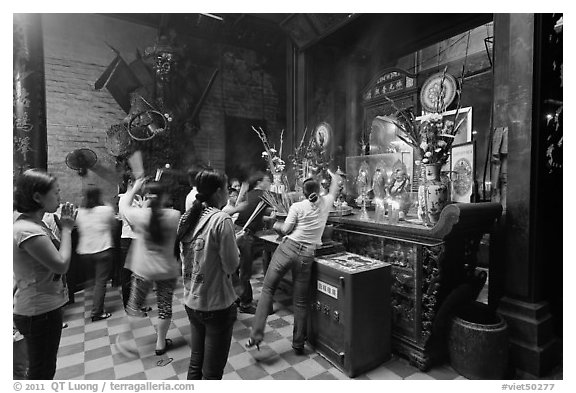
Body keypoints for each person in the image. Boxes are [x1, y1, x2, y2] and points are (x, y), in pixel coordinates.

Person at [246, 169, 341, 354]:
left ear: (303, 192)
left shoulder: (297, 207)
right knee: (301, 300)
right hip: (307, 254)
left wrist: (275, 224)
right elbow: (335, 188)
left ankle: (256, 336)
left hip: (288, 248)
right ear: (319, 189)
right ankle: (298, 343)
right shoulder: (327, 203)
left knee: (267, 289)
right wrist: (334, 176)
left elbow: (287, 229)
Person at [13, 169, 77, 379]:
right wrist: (67, 230)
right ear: (37, 197)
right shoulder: (27, 230)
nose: (60, 197)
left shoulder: (36, 224)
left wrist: (63, 230)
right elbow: (60, 265)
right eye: (56, 193)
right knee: (42, 371)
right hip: (39, 311)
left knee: (43, 366)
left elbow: (54, 255)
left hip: (44, 306)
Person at [177, 169, 241, 379]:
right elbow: (231, 266)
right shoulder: (221, 219)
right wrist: (235, 245)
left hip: (192, 300)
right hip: (216, 304)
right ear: (218, 191)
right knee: (212, 373)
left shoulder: (187, 217)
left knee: (196, 362)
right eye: (228, 189)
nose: (230, 194)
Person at [116, 178, 181, 356]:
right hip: (166, 270)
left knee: (134, 304)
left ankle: (125, 341)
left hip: (142, 269)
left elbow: (123, 206)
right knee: (164, 307)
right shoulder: (174, 215)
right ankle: (160, 343)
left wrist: (135, 187)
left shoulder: (139, 215)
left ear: (146, 197)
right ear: (164, 197)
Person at [228, 171, 271, 314]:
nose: (269, 183)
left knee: (235, 267)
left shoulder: (249, 194)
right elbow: (277, 208)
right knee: (245, 270)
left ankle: (237, 297)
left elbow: (253, 214)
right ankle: (245, 303)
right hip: (245, 235)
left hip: (236, 230)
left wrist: (268, 218)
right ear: (260, 182)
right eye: (268, 180)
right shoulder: (264, 195)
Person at [75, 187, 116, 322]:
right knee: (100, 282)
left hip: (85, 251)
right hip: (103, 249)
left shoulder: (79, 212)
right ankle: (97, 311)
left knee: (91, 281)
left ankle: (93, 304)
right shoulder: (106, 209)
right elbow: (114, 225)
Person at [117, 175, 143, 309]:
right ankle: (129, 305)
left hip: (139, 239)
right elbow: (133, 220)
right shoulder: (124, 199)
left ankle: (137, 303)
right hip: (129, 239)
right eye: (140, 181)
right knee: (128, 275)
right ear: (130, 182)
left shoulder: (138, 198)